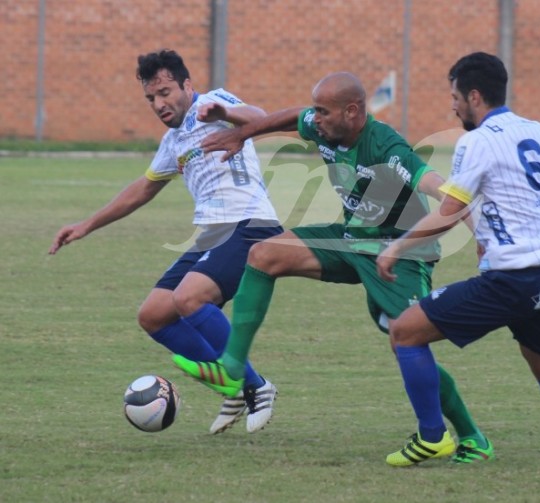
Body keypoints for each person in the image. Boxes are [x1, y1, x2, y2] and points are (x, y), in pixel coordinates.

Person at [173, 71, 495, 465]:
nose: (316, 119)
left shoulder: (385, 144)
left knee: (406, 340)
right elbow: (293, 116)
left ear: (353, 111)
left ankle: (458, 436)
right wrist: (244, 131)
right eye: (317, 111)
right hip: (350, 239)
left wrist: (477, 230)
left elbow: (435, 184)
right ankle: (232, 366)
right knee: (263, 255)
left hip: (401, 253)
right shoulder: (326, 128)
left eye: (324, 112)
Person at [375, 52, 540, 468]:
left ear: (474, 96)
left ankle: (432, 437)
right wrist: (514, 194)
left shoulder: (474, 142)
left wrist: (396, 247)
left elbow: (449, 212)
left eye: (456, 96)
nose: (453, 105)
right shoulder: (538, 131)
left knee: (404, 332)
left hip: (509, 279)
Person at [48, 49, 283, 435]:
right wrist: (86, 225)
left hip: (249, 225)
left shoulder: (212, 102)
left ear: (187, 85)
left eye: (165, 92)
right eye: (151, 98)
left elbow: (262, 120)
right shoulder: (173, 139)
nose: (159, 104)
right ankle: (237, 390)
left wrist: (224, 115)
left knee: (189, 298)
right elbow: (143, 189)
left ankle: (255, 387)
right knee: (154, 315)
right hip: (212, 233)